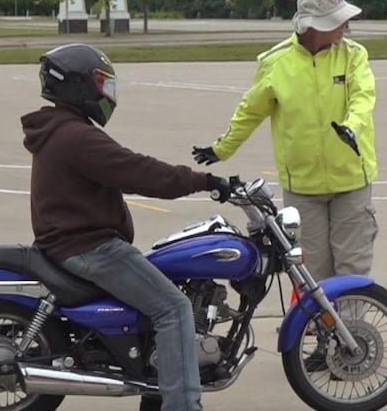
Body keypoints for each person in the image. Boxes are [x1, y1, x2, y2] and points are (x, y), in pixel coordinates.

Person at [23, 43, 231, 411]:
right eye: (101, 83)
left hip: (75, 244)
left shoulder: (61, 130)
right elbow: (140, 172)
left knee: (162, 301)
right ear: (78, 86)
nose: (106, 93)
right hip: (90, 248)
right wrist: (204, 181)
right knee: (174, 308)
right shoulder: (76, 137)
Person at [192, 0, 379, 283]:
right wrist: (221, 149)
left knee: (353, 270)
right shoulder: (275, 61)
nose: (347, 25)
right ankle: (323, 331)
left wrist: (352, 127)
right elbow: (250, 111)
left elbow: (363, 96)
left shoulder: (354, 55)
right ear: (315, 25)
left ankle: (351, 331)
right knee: (312, 274)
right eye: (339, 20)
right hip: (303, 188)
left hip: (352, 182)